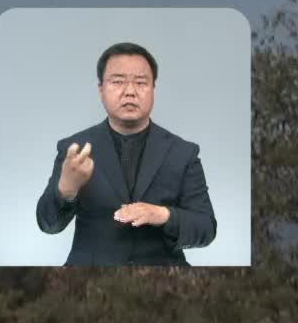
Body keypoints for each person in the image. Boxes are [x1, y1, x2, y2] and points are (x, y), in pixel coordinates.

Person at [34, 42, 217, 265]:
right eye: (118, 81)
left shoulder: (183, 153)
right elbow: (48, 225)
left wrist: (162, 215)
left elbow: (206, 228)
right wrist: (66, 189)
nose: (129, 91)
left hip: (166, 283)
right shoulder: (74, 150)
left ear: (153, 89)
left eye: (141, 82)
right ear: (100, 89)